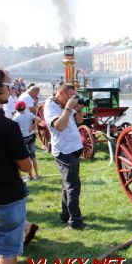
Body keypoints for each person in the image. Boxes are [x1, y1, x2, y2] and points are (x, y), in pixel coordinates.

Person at [0, 67, 32, 264]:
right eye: (8, 85)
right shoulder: (8, 126)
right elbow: (26, 165)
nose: (11, 90)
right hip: (7, 196)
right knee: (7, 252)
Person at [44, 83, 89, 230]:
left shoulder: (66, 104)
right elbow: (59, 126)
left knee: (67, 185)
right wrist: (69, 107)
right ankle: (75, 222)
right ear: (61, 93)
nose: (73, 99)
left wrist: (79, 109)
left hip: (73, 149)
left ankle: (65, 215)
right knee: (73, 187)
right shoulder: (50, 105)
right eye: (70, 96)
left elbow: (79, 121)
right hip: (64, 151)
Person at [13, 100, 41, 180]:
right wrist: (33, 125)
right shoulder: (29, 114)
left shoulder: (15, 117)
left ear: (16, 108)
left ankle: (30, 176)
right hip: (31, 137)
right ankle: (37, 175)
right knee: (33, 156)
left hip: (23, 138)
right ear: (25, 108)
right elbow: (38, 119)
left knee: (26, 157)